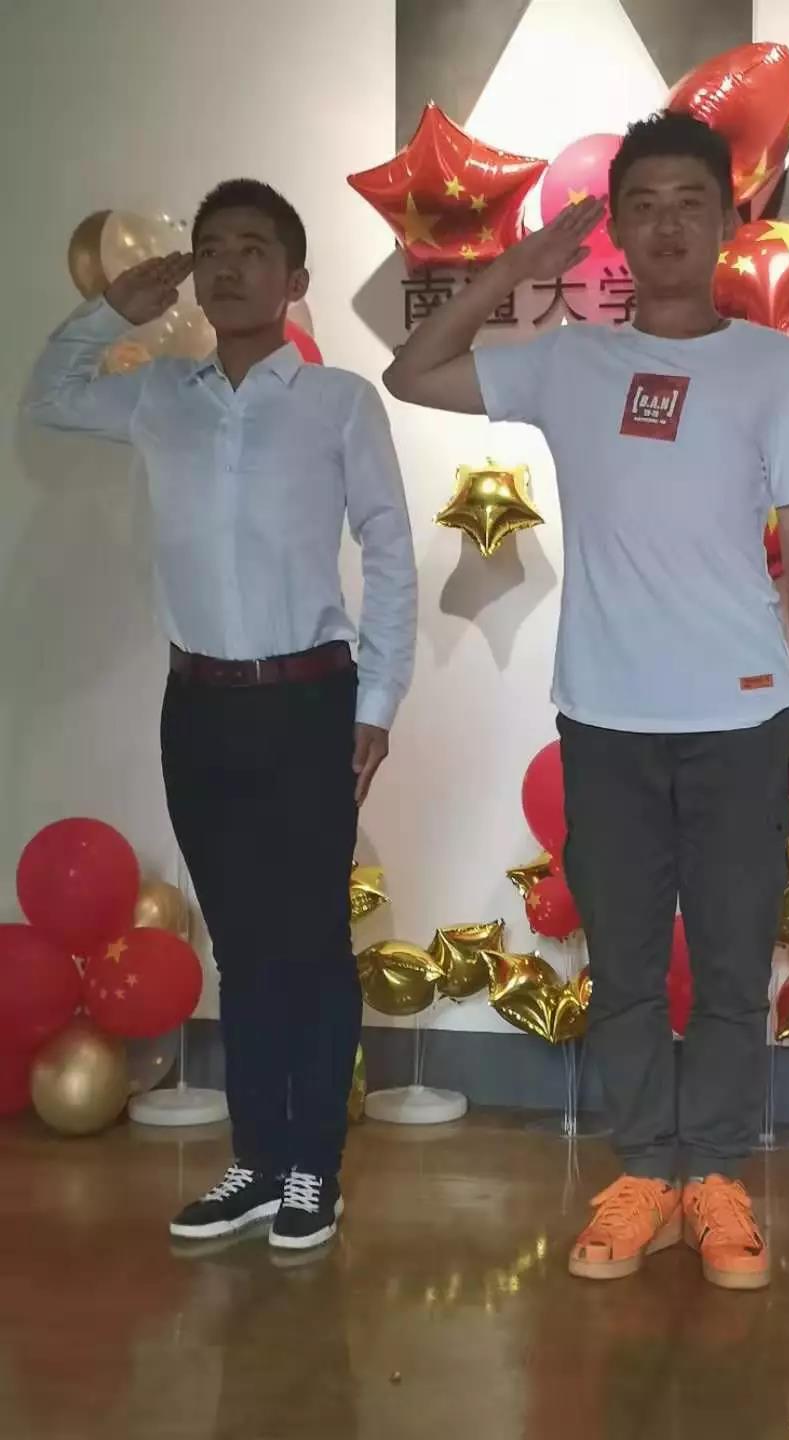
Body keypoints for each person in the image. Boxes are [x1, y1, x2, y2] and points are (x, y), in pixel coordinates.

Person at [383, 112, 789, 1289]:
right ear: (616, 229)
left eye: (691, 202)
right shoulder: (569, 362)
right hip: (607, 718)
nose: (668, 224)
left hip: (743, 716)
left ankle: (716, 1177)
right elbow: (410, 372)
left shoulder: (772, 368)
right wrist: (519, 268)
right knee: (626, 964)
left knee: (730, 963)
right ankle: (645, 1176)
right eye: (645, 205)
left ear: (727, 221)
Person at [24, 179, 417, 1251]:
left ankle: (313, 1169)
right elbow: (48, 396)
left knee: (311, 941)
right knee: (242, 945)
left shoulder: (339, 402)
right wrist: (118, 307)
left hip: (311, 702)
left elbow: (390, 551)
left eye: (253, 249)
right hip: (197, 706)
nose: (230, 266)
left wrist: (379, 700)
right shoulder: (160, 395)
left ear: (294, 279)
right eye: (212, 250)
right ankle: (256, 1162)